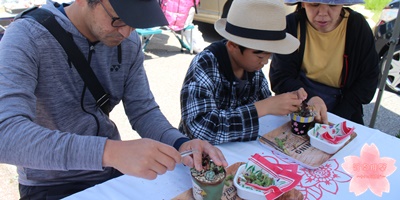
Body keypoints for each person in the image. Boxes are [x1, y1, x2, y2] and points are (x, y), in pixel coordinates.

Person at [0, 0, 228, 199]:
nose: (127, 32)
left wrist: (181, 143)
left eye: (136, 21)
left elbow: (143, 110)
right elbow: (6, 134)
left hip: (111, 172)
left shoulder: (128, 43)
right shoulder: (27, 37)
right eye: (118, 19)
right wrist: (109, 152)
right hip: (51, 183)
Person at [178, 0, 307, 145]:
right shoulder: (205, 64)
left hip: (237, 147)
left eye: (269, 55)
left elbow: (266, 104)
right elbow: (199, 128)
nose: (265, 62)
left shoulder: (252, 68)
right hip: (200, 154)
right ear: (233, 45)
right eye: (260, 56)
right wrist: (263, 107)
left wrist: (289, 102)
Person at [269, 0, 379, 125]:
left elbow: (368, 79)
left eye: (332, 5)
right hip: (299, 103)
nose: (322, 13)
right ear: (303, 3)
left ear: (342, 5)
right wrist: (309, 98)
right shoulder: (292, 25)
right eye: (314, 4)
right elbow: (280, 77)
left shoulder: (357, 26)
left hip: (344, 105)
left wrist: (337, 116)